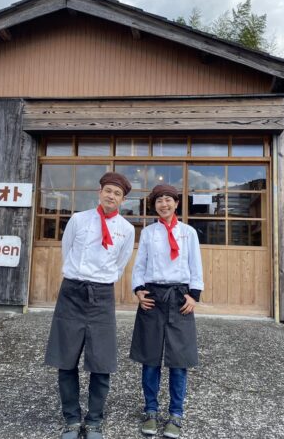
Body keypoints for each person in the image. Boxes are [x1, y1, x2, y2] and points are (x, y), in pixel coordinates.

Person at [44, 171, 135, 439]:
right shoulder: (78, 219)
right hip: (72, 292)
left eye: (117, 193)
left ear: (122, 200)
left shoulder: (127, 230)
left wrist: (99, 283)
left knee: (101, 361)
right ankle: (71, 419)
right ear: (99, 192)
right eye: (108, 190)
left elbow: (120, 263)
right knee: (66, 359)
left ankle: (94, 420)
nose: (111, 196)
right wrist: (79, 278)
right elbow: (66, 249)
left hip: (102, 296)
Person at [130, 184, 204, 438]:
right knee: (150, 358)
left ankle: (176, 414)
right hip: (153, 297)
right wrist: (139, 290)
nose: (164, 204)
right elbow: (140, 265)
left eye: (168, 200)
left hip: (180, 297)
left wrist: (194, 295)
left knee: (179, 360)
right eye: (159, 200)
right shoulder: (149, 233)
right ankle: (151, 410)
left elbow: (196, 265)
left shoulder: (188, 232)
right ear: (154, 205)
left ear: (176, 203)